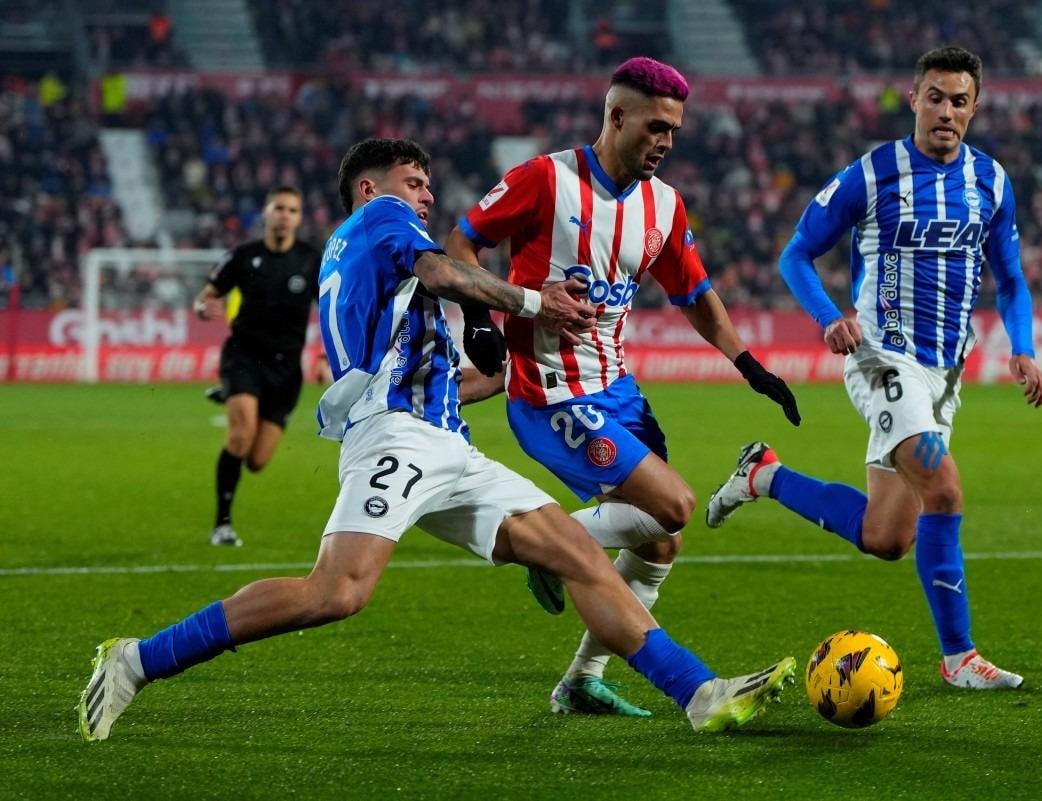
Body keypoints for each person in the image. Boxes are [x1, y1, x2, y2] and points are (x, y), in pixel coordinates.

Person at [78, 138, 796, 742]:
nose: (424, 195)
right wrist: (529, 299)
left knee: (580, 556)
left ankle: (701, 693)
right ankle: (137, 659)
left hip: (446, 444)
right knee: (337, 591)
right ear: (370, 187)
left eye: (425, 186)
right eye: (412, 182)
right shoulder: (379, 221)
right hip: (398, 435)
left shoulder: (365, 253)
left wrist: (501, 366)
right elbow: (442, 270)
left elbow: (433, 359)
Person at [445, 57, 800, 717]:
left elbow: (695, 294)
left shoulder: (663, 205)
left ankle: (581, 678)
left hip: (618, 393)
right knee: (676, 504)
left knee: (661, 541)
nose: (666, 141)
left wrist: (747, 362)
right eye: (656, 126)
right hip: (550, 396)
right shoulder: (545, 179)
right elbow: (458, 248)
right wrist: (485, 321)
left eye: (675, 130)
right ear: (616, 116)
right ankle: (546, 548)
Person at [706, 47, 1042, 690]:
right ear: (914, 99)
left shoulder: (993, 182)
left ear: (974, 108)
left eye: (960, 100)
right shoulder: (873, 173)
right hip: (881, 357)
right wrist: (828, 316)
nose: (947, 111)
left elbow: (1012, 281)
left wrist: (1022, 346)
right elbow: (796, 255)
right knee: (944, 489)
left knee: (887, 535)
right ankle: (959, 658)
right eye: (936, 97)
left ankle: (764, 476)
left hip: (945, 373)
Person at [192, 186, 321, 547]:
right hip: (245, 356)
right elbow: (206, 297)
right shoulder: (242, 256)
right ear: (265, 213)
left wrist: (326, 357)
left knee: (257, 461)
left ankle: (234, 397)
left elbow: (331, 313)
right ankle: (222, 525)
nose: (284, 215)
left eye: (292, 210)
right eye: (278, 208)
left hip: (286, 369)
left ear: (299, 218)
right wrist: (203, 308)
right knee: (239, 436)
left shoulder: (312, 260)